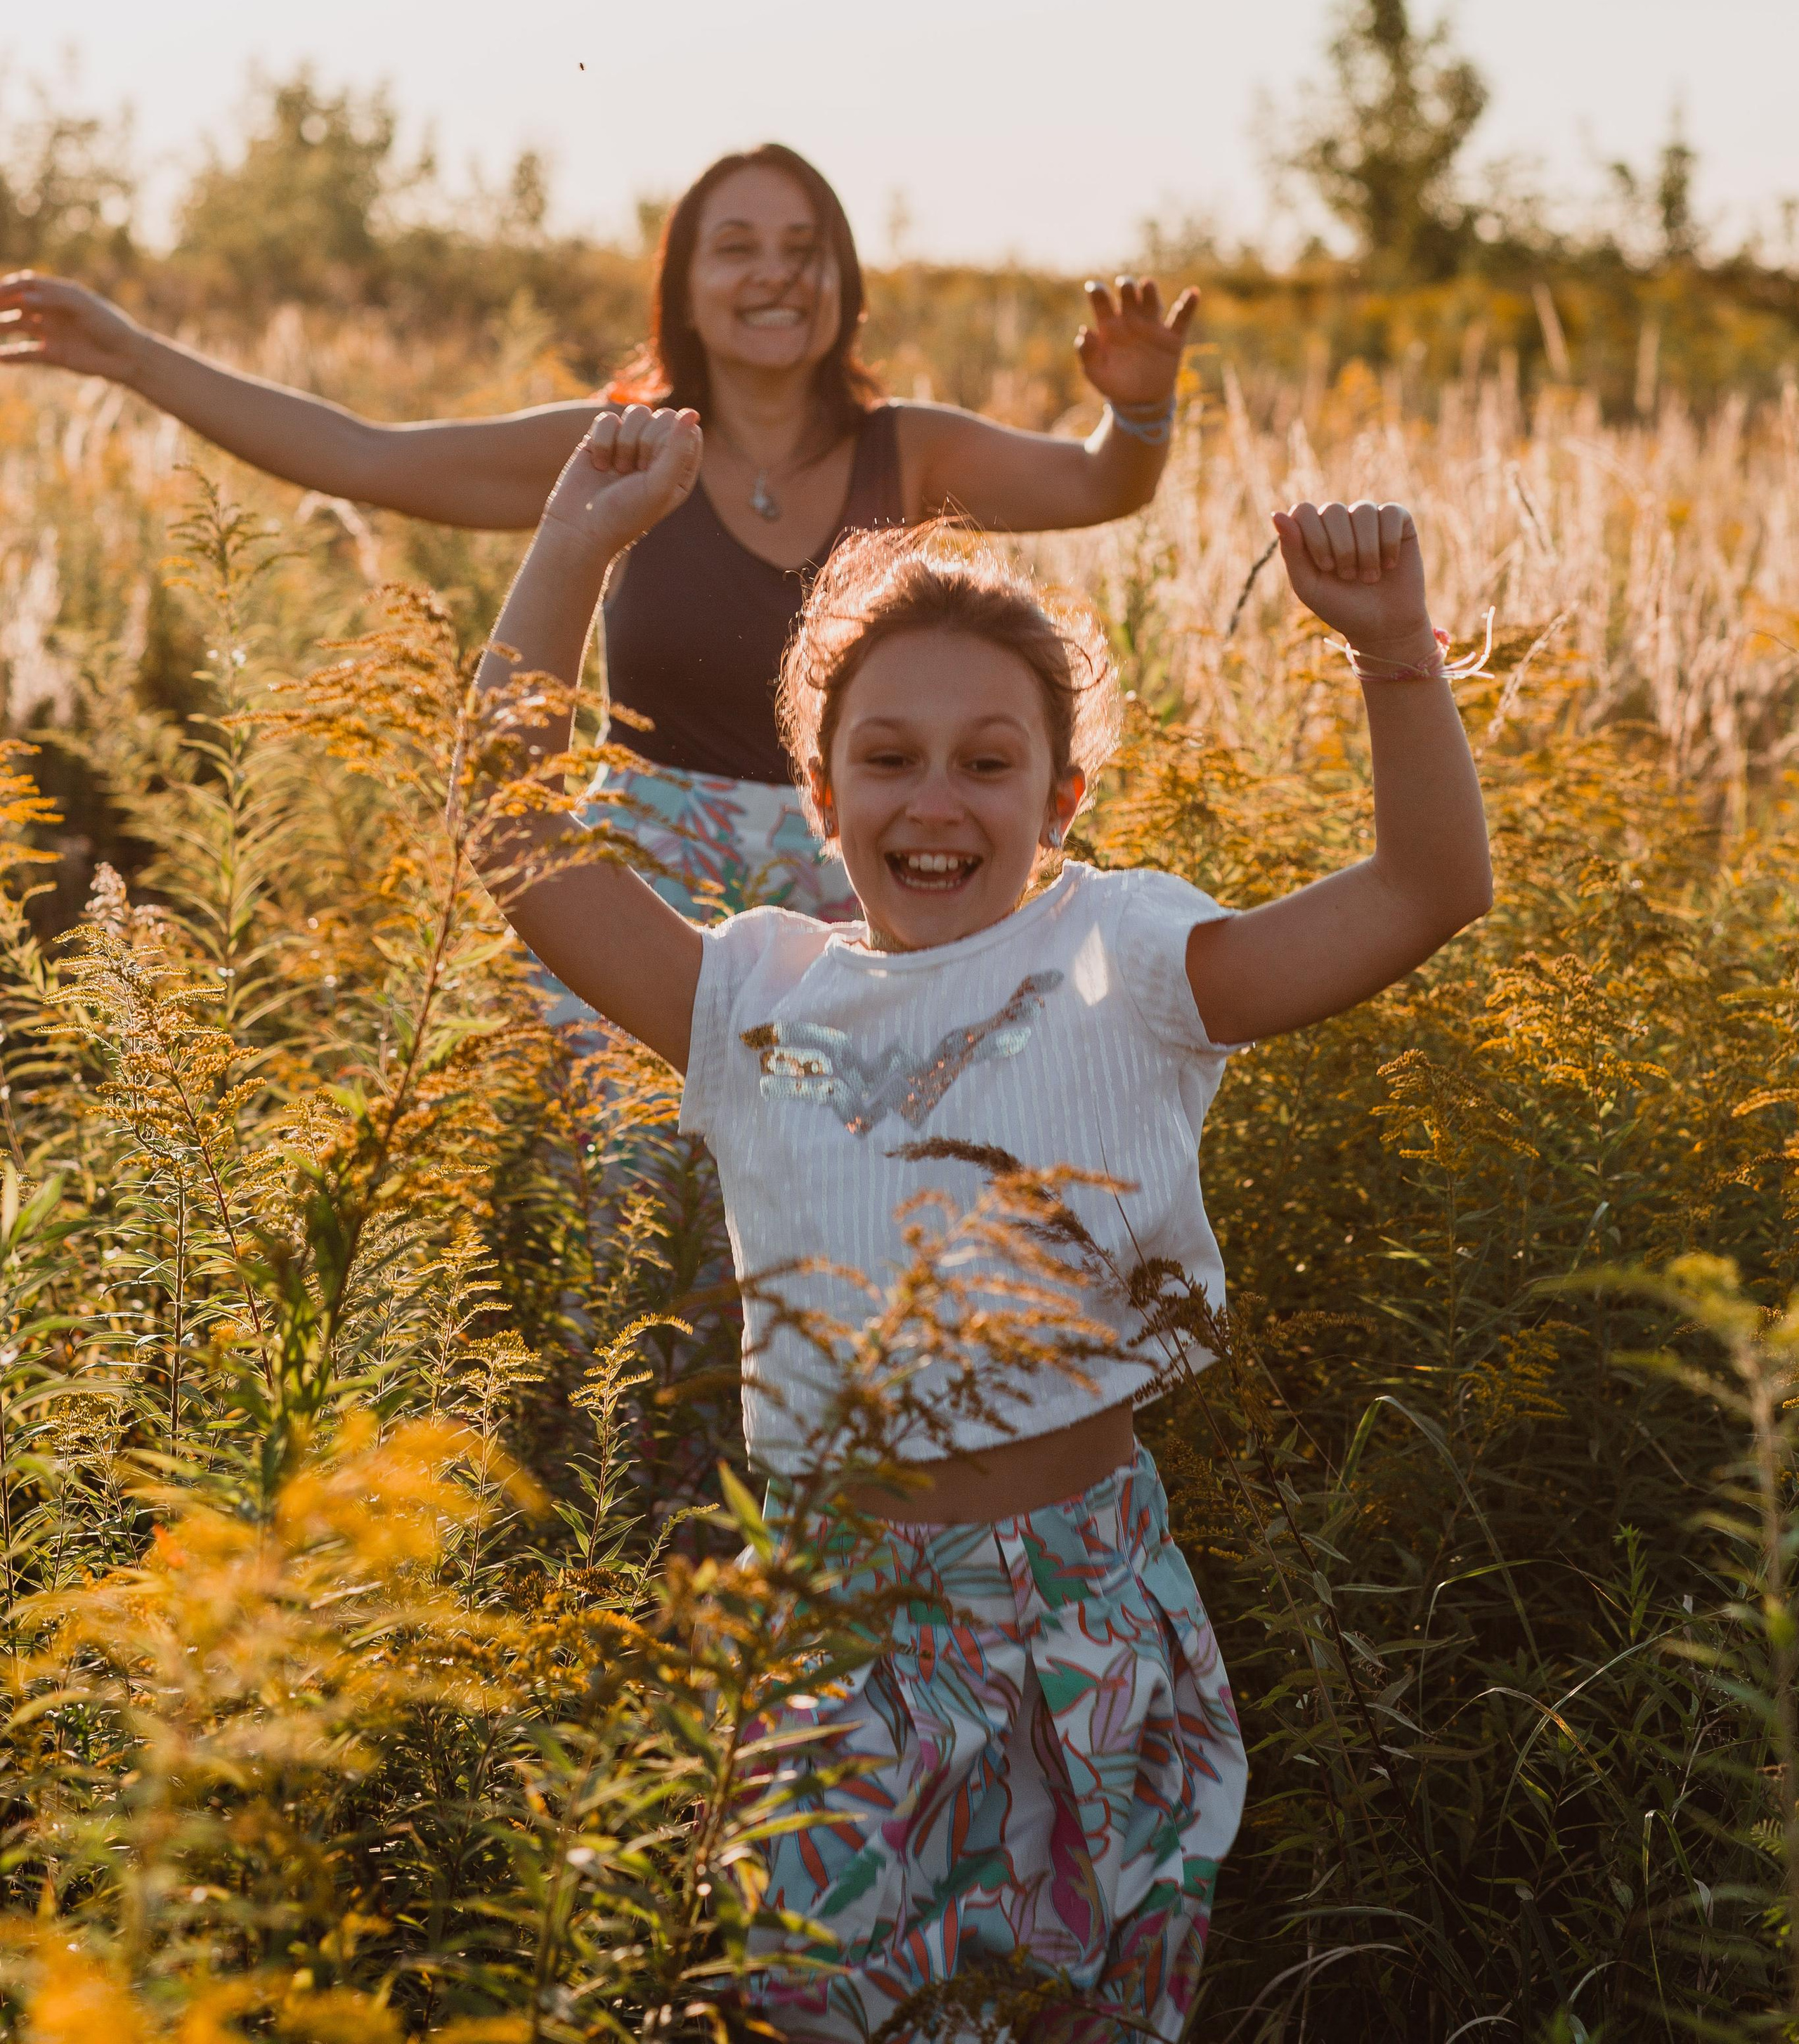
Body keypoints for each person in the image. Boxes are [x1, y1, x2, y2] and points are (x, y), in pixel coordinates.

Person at [467, 401, 1494, 2038]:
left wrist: (1389, 652)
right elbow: (513, 836)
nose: (932, 801)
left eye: (986, 760)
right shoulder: (751, 998)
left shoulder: (1133, 967)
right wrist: (577, 540)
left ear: (1062, 790)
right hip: (837, 1623)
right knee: (820, 2012)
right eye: (885, 757)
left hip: (1098, 1606)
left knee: (1096, 2013)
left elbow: (1422, 889)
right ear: (817, 787)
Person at [0, 144, 1196, 932]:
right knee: (640, 1274)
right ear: (684, 284)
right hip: (645, 919)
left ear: (844, 283)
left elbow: (1104, 484)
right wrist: (132, 358)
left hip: (875, 895)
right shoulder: (621, 450)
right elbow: (363, 455)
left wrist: (1138, 405)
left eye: (804, 249)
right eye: (738, 248)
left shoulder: (912, 449)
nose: (775, 276)